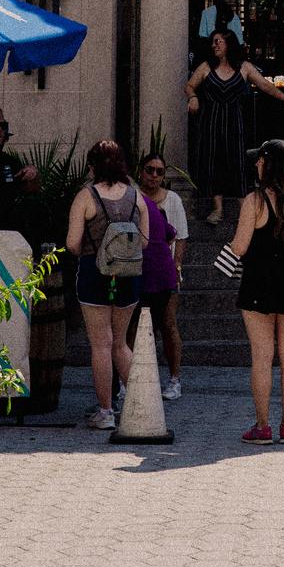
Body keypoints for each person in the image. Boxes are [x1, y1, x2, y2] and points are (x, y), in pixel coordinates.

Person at [229, 137, 284, 444]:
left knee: (261, 357)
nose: (256, 163)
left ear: (268, 164)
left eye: (260, 159)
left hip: (258, 283)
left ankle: (262, 426)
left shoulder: (254, 201)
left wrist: (222, 263)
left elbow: (239, 246)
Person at [66, 139, 149, 431]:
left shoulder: (86, 197)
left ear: (92, 166)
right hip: (128, 275)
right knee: (121, 343)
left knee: (100, 344)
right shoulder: (136, 196)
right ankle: (142, 404)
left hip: (94, 274)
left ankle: (105, 412)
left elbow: (72, 244)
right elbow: (146, 240)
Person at [186, 29, 284, 226]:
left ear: (229, 44)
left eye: (218, 41)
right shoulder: (206, 67)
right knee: (214, 159)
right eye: (213, 42)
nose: (214, 45)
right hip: (211, 121)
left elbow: (265, 85)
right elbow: (189, 86)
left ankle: (244, 208)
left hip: (234, 121)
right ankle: (218, 208)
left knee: (237, 161)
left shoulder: (244, 68)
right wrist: (193, 97)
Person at [128, 152, 188, 400]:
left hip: (164, 272)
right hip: (136, 270)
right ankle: (127, 379)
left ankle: (174, 380)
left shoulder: (172, 200)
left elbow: (181, 236)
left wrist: (176, 264)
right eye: (150, 170)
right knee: (131, 327)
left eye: (159, 171)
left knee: (168, 325)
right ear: (141, 171)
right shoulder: (132, 197)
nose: (154, 175)